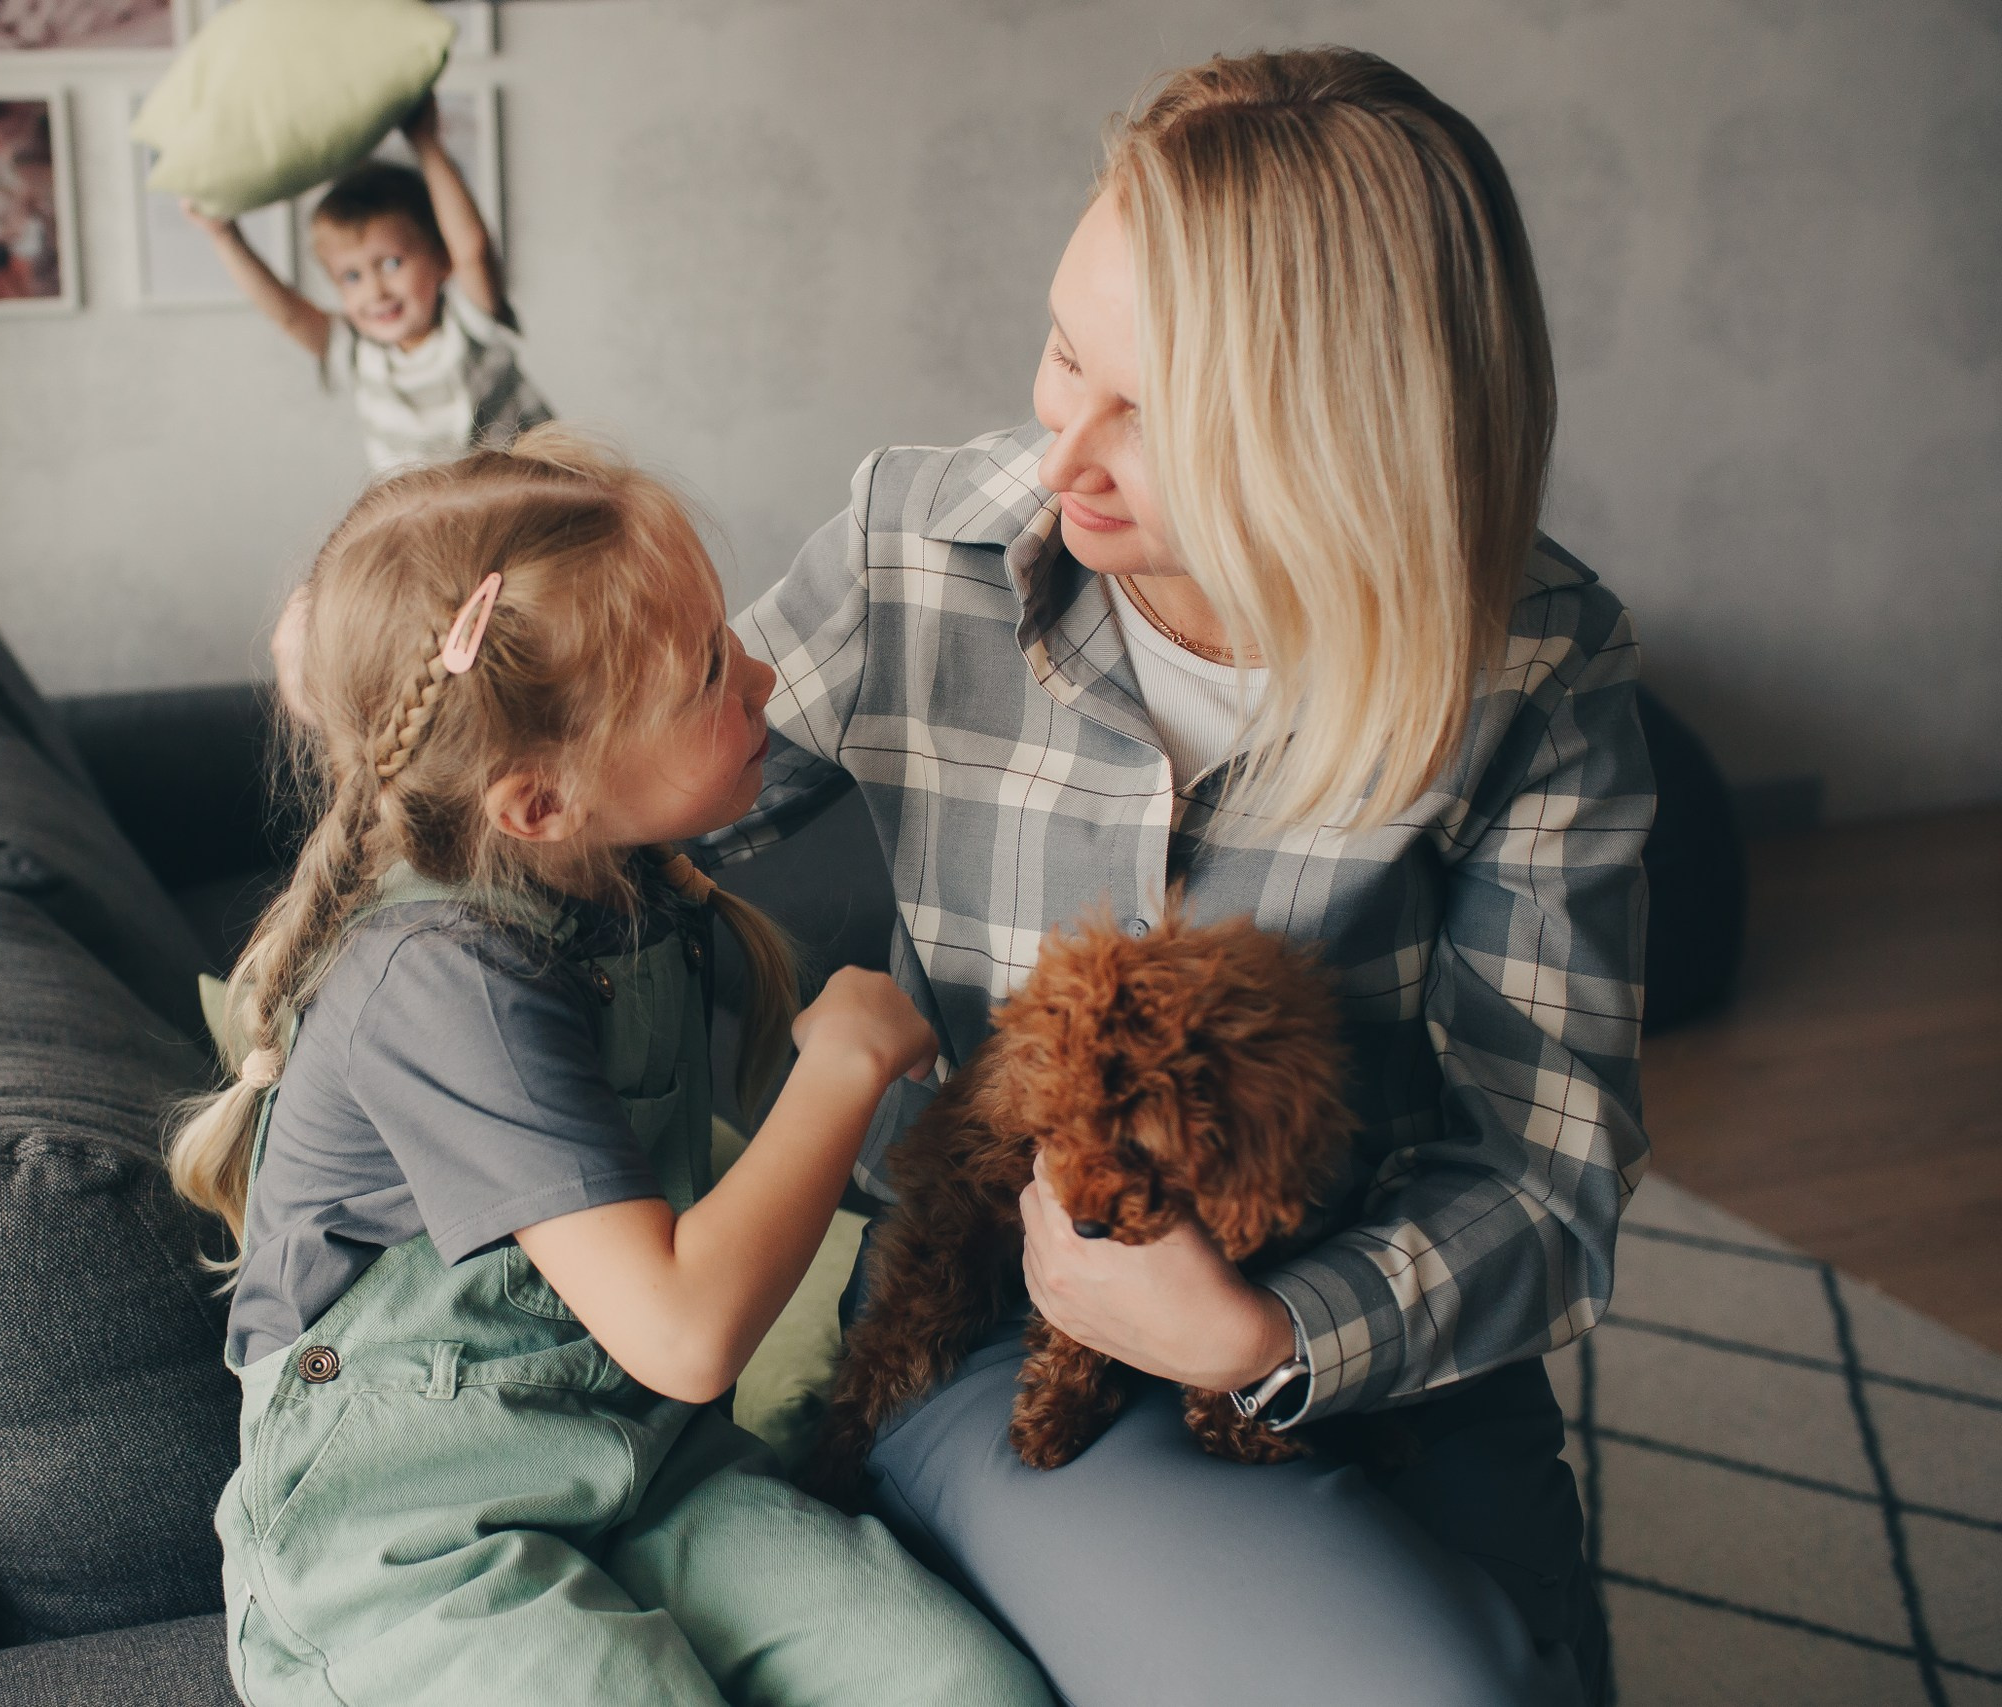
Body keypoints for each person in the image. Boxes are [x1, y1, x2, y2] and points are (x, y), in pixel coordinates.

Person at [698, 47, 1650, 1707]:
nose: (1066, 451)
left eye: (1162, 416)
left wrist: (1263, 1340)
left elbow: (1549, 1175)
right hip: (990, 1317)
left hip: (1377, 1336)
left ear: (1359, 436)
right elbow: (643, 820)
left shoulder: (1534, 665)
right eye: (1068, 351)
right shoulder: (914, 543)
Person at [167, 432, 1054, 1707]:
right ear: (535, 803)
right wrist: (842, 1067)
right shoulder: (440, 975)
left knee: (959, 1688)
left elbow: (789, 1188)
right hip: (409, 1532)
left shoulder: (621, 882)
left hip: (645, 1464)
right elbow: (684, 1332)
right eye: (707, 673)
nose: (760, 675)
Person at [188, 97, 552, 475]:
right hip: (435, 522)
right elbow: (287, 315)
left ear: (442, 260)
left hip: (534, 499)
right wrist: (223, 236)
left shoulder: (469, 327)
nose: (376, 291)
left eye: (392, 263)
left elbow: (472, 250)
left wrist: (426, 144)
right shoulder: (357, 352)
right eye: (352, 276)